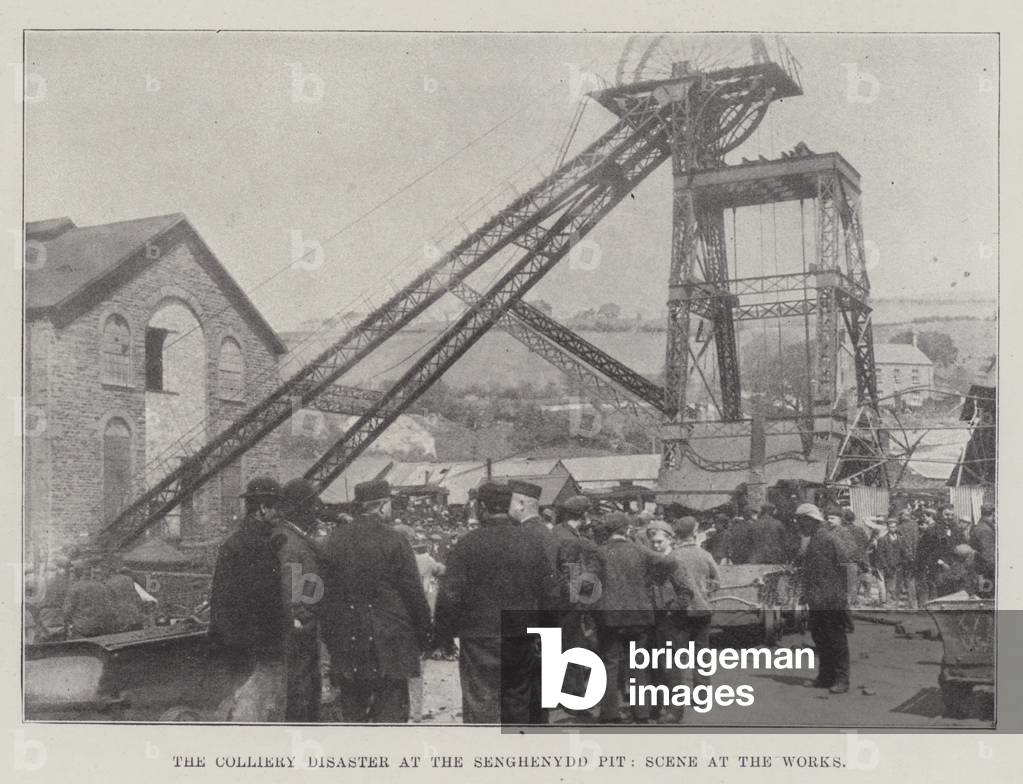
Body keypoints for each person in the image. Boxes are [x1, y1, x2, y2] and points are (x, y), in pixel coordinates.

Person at [434, 481, 558, 724]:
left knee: (481, 704)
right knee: (517, 701)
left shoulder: (467, 545)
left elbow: (449, 596)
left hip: (479, 639)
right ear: (510, 505)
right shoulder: (532, 543)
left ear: (481, 507)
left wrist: (444, 637)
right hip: (520, 637)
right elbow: (549, 594)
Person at [318, 480, 432, 723]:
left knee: (353, 720)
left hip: (348, 648)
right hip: (390, 648)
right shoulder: (395, 541)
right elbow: (413, 594)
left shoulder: (331, 542)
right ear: (381, 507)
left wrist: (332, 639)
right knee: (390, 719)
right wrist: (423, 637)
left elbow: (324, 600)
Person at [595, 512, 694, 723]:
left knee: (610, 664)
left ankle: (609, 713)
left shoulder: (600, 553)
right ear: (626, 530)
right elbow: (669, 564)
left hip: (610, 617)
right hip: (639, 616)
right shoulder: (640, 551)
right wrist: (650, 580)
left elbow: (586, 583)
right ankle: (641, 712)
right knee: (638, 664)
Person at [208, 476, 289, 721]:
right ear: (263, 508)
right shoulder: (260, 546)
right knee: (254, 711)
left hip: (236, 645)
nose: (280, 514)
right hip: (257, 650)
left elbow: (221, 600)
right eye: (277, 507)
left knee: (241, 706)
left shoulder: (234, 543)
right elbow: (265, 602)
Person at [275, 477, 326, 722]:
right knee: (300, 690)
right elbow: (292, 590)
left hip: (303, 625)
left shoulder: (293, 538)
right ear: (300, 508)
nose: (316, 510)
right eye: (312, 505)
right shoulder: (291, 543)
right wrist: (305, 618)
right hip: (300, 630)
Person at [796, 503, 851, 694]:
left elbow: (846, 566)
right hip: (817, 599)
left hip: (831, 599)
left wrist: (845, 597)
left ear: (810, 521)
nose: (799, 526)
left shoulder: (830, 539)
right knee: (821, 639)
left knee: (836, 639)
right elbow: (811, 571)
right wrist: (806, 593)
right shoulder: (812, 540)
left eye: (801, 521)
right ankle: (825, 677)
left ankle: (842, 680)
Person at [670, 516, 718, 688]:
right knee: (702, 653)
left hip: (680, 612)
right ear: (695, 532)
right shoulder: (705, 555)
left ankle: (677, 693)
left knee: (677, 655)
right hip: (702, 610)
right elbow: (716, 581)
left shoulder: (672, 556)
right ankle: (702, 693)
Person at [63, 558, 115, 638]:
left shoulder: (74, 588)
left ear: (77, 573)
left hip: (81, 630)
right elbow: (109, 608)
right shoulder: (101, 586)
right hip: (100, 628)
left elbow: (67, 611)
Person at [872, 518, 912, 608]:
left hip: (899, 565)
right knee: (890, 586)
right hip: (889, 566)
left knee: (899, 585)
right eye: (890, 527)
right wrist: (886, 567)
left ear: (896, 527)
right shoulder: (883, 540)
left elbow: (904, 551)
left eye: (894, 527)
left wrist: (906, 560)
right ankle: (889, 603)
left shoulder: (901, 539)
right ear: (888, 528)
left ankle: (896, 602)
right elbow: (880, 555)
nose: (892, 529)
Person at [969, 504, 995, 583]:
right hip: (985, 570)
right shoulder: (985, 530)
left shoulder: (980, 526)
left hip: (980, 567)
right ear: (993, 514)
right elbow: (988, 554)